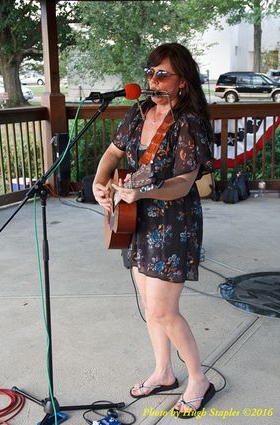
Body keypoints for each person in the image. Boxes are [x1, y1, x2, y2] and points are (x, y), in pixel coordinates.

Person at [93, 42, 215, 418]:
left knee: (163, 310)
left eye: (161, 74)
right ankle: (164, 372)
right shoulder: (138, 110)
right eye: (150, 72)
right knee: (150, 306)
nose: (152, 80)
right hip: (134, 221)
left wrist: (146, 191)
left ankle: (198, 379)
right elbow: (114, 154)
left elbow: (183, 183)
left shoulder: (189, 123)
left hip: (173, 224)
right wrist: (101, 183)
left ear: (183, 81)